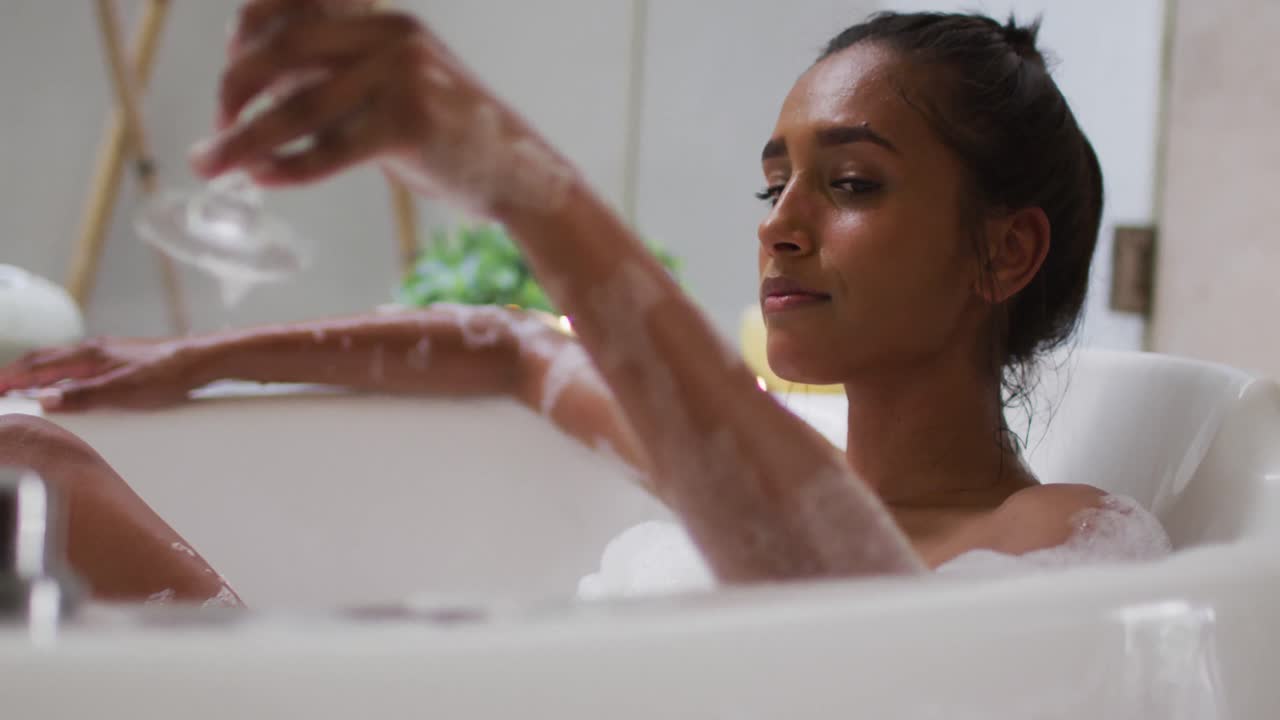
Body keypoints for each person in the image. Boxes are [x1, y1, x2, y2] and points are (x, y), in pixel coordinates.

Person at [0, 6, 1169, 605]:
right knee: (36, 466)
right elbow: (514, 352)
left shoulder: (1065, 543)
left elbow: (865, 650)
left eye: (851, 183)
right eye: (772, 184)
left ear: (1004, 251)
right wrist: (197, 361)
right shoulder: (757, 475)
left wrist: (518, 181)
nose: (779, 222)